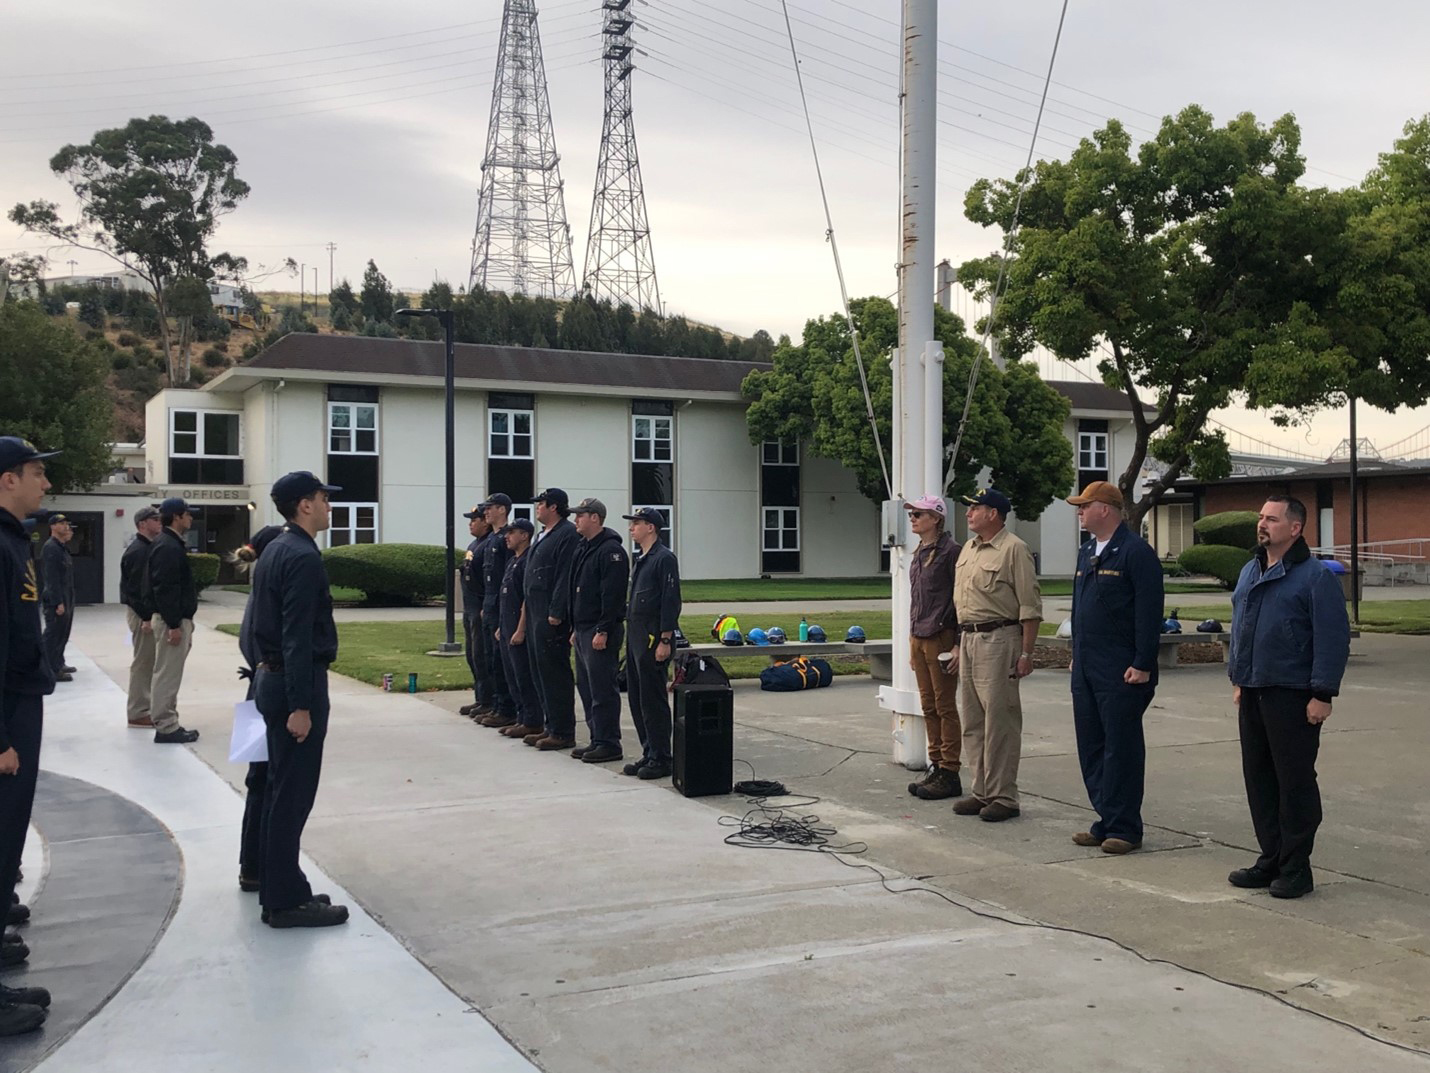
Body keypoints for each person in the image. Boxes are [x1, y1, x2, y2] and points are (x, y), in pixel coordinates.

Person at [1227, 496, 1350, 899]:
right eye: (1261, 517)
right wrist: (1239, 678)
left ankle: (1297, 868)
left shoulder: (1315, 577)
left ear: (1295, 528)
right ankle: (1272, 858)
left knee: (1293, 782)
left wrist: (1322, 694)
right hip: (1254, 690)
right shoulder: (1250, 570)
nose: (1262, 524)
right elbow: (1242, 626)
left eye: (1272, 519)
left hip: (1293, 695)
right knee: (1259, 779)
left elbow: (1332, 639)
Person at [241, 472, 349, 928]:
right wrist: (301, 706)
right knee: (291, 794)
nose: (329, 506)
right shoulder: (302, 556)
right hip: (291, 688)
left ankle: (268, 876)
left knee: (269, 786)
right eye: (324, 498)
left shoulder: (275, 549)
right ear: (304, 505)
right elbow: (297, 635)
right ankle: (284, 900)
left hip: (266, 681)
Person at [1066, 481, 1164, 854]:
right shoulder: (1087, 551)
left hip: (1121, 668)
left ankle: (1125, 827)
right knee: (1091, 745)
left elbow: (1148, 612)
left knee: (1120, 748)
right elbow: (1079, 608)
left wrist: (1143, 663)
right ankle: (1105, 817)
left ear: (1104, 509)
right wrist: (1077, 651)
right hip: (1088, 664)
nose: (1079, 512)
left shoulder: (1135, 552)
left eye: (1084, 506)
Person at [0, 436, 60, 1034]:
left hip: (20, 701)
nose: (45, 484)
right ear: (6, 480)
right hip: (8, 710)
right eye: (36, 473)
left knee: (9, 835)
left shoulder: (15, 540)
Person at [950, 488, 1042, 822]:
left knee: (999, 721)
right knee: (973, 721)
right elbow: (963, 604)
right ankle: (981, 790)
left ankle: (1004, 796)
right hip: (970, 639)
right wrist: (960, 643)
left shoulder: (1014, 549)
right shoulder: (968, 550)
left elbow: (1030, 606)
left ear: (994, 513)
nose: (968, 513)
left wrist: (1027, 652)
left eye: (975, 508)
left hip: (1000, 638)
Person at [233, 524, 286, 894]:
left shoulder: (255, 596)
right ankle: (261, 866)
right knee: (269, 782)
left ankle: (250, 865)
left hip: (252, 691)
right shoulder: (268, 598)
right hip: (265, 692)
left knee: (257, 782)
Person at [903, 495, 963, 801]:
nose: (913, 518)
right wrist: (912, 641)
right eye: (912, 514)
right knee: (927, 705)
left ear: (936, 518)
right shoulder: (919, 552)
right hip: (919, 636)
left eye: (919, 514)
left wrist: (957, 644)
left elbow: (961, 599)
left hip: (941, 635)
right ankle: (936, 765)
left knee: (944, 705)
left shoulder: (951, 552)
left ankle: (950, 770)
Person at [568, 498, 629, 764]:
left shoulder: (610, 551)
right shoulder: (584, 547)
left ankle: (608, 742)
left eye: (580, 515)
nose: (576, 520)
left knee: (602, 688)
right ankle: (597, 738)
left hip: (599, 628)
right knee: (586, 686)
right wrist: (574, 625)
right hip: (582, 627)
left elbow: (612, 595)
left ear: (595, 518)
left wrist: (603, 629)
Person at [622, 507, 681, 780]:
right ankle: (649, 751)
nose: (632, 528)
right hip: (635, 637)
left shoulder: (664, 559)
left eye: (637, 523)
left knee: (653, 700)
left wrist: (665, 639)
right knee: (637, 698)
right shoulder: (642, 559)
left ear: (651, 527)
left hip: (652, 638)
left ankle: (661, 757)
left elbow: (670, 601)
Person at [522, 488, 581, 751]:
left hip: (550, 613)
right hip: (535, 609)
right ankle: (549, 725)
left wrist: (557, 611)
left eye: (541, 504)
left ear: (554, 507)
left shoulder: (566, 534)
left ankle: (562, 730)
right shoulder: (543, 535)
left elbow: (564, 575)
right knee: (538, 669)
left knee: (554, 671)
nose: (537, 508)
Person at [145, 496, 202, 744]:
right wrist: (174, 624)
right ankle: (166, 726)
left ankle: (169, 721)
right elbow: (165, 588)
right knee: (167, 674)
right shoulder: (167, 546)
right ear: (177, 516)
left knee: (169, 673)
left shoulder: (169, 543)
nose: (191, 518)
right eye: (188, 514)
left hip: (175, 619)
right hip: (172, 621)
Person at [494, 519, 544, 739]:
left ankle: (532, 720)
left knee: (523, 675)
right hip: (506, 624)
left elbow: (526, 598)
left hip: (518, 625)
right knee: (512, 675)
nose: (507, 536)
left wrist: (521, 628)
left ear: (524, 535)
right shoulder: (512, 560)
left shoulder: (527, 561)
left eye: (511, 532)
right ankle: (520, 716)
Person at [476, 494, 516, 728]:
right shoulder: (491, 537)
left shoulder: (506, 537)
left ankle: (506, 708)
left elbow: (508, 576)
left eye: (490, 508)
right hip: (490, 603)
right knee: (490, 658)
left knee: (501, 661)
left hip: (503, 604)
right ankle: (495, 704)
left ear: (502, 509)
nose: (486, 513)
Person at [120, 506, 163, 728]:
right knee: (144, 663)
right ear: (142, 524)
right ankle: (138, 711)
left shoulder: (148, 547)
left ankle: (145, 708)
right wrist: (146, 617)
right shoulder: (138, 551)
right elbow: (133, 590)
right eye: (155, 519)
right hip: (141, 615)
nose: (160, 522)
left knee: (149, 662)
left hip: (145, 613)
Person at [458, 504, 494, 719]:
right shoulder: (475, 544)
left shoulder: (489, 544)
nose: (471, 523)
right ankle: (480, 698)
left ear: (485, 522)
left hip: (480, 607)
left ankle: (489, 700)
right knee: (472, 655)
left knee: (482, 656)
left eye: (474, 519)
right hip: (469, 607)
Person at [39, 513, 75, 682]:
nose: (65, 526)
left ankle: (58, 663)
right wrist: (57, 602)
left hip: (66, 594)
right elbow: (51, 577)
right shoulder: (51, 547)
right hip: (56, 597)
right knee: (53, 634)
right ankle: (49, 668)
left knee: (63, 633)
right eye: (61, 523)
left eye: (66, 523)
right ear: (52, 527)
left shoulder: (61, 547)